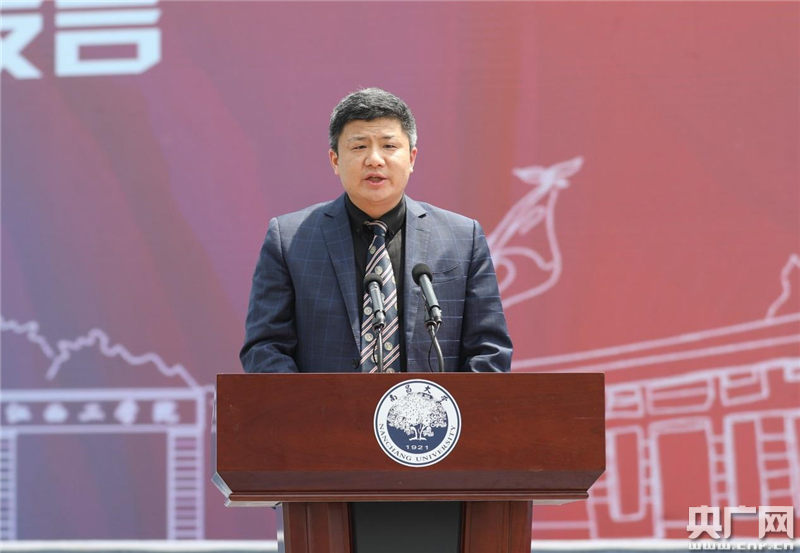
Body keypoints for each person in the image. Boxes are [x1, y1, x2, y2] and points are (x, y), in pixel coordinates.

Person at [240, 88, 511, 373]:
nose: (374, 159)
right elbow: (265, 348)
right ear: (335, 160)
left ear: (412, 158)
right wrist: (313, 403)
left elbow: (489, 350)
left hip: (429, 404)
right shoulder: (290, 239)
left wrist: (448, 404)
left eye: (389, 146)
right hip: (325, 404)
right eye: (359, 147)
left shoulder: (462, 238)